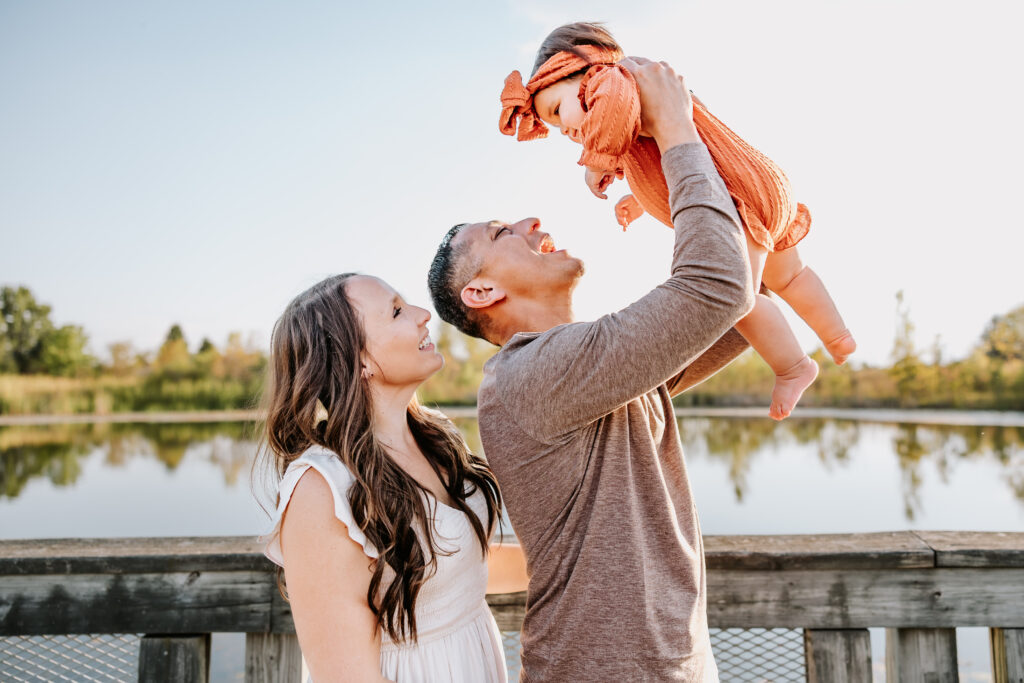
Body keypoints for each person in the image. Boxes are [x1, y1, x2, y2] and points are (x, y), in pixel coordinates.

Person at [428, 56, 752, 681]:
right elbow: (718, 285)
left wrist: (653, 152)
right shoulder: (531, 375)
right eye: (502, 232)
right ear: (481, 293)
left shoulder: (595, 368)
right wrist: (677, 126)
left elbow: (742, 303)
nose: (531, 222)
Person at [499, 22, 856, 420]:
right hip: (758, 184)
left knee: (739, 296)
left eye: (557, 111)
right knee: (791, 277)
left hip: (734, 197)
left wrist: (598, 161)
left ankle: (793, 367)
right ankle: (837, 336)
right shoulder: (639, 99)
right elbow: (661, 157)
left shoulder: (614, 80)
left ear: (582, 66)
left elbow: (615, 116)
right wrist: (639, 196)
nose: (566, 130)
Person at [257, 273, 527, 682]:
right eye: (398, 311)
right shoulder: (321, 488)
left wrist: (587, 563)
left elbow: (463, 569)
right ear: (358, 359)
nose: (423, 316)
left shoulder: (436, 440)